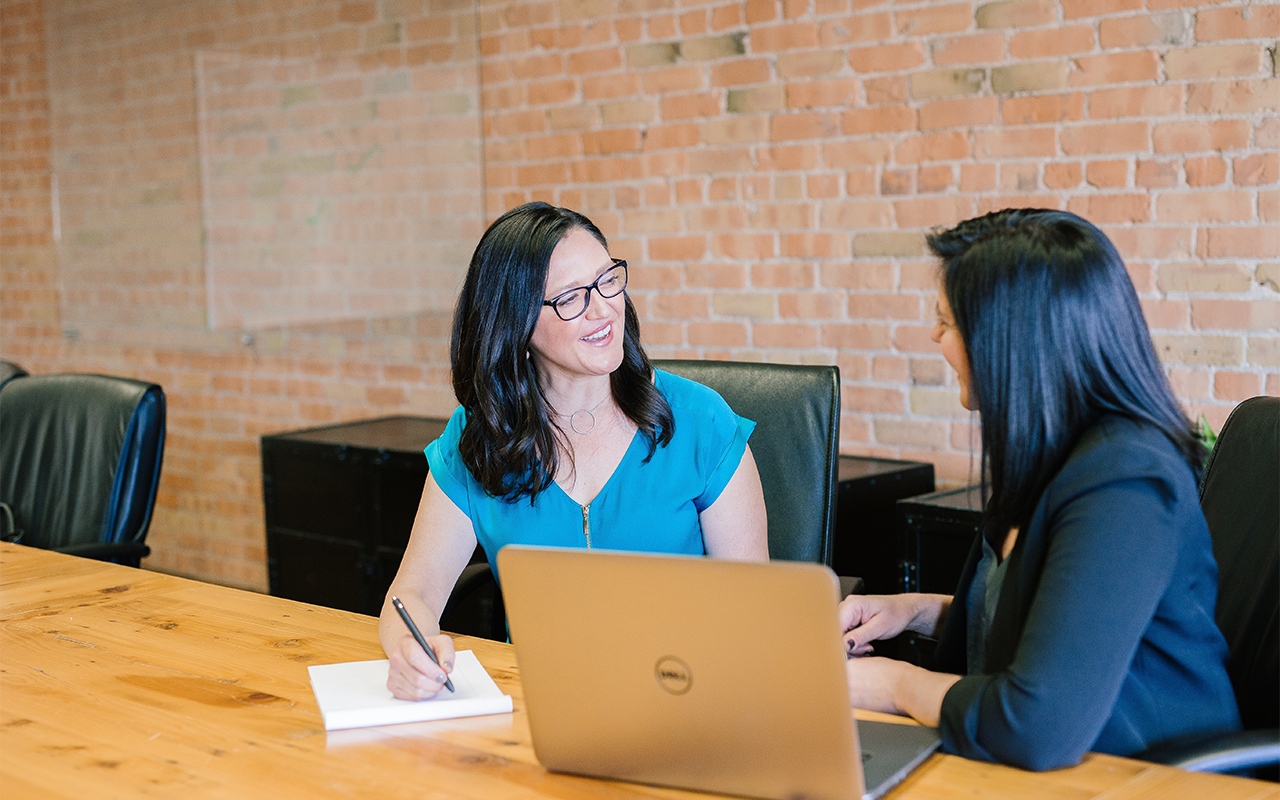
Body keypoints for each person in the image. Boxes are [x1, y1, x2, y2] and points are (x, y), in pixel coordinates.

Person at [839, 209, 1241, 770]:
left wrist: (894, 685)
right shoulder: (1052, 455)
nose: (933, 336)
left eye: (947, 322)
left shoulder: (1125, 482)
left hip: (1145, 776)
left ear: (1009, 343)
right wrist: (914, 611)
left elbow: (1035, 724)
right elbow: (1047, 622)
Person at [380, 202, 768, 700]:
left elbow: (754, 608)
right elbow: (411, 593)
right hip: (539, 703)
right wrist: (409, 653)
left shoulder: (700, 422)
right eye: (570, 298)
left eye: (608, 280)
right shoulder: (479, 438)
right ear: (516, 325)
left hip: (685, 695)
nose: (604, 308)